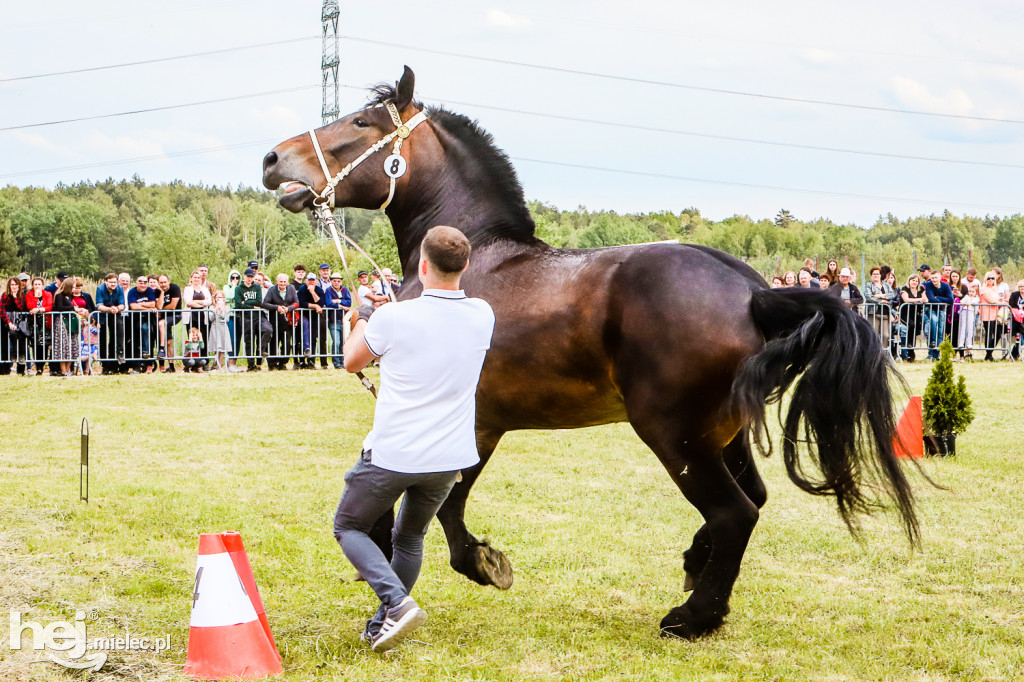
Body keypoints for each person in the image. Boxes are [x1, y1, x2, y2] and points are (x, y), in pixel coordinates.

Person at [334, 225, 495, 652]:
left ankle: (397, 602)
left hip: (394, 454)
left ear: (422, 265)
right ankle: (382, 623)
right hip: (449, 458)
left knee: (349, 525)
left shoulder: (392, 316)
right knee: (409, 537)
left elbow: (352, 362)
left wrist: (362, 319)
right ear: (465, 266)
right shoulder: (483, 313)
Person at [234, 268, 270, 372]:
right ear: (244, 276)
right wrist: (250, 305)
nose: (249, 279)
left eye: (251, 277)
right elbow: (237, 304)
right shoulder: (239, 289)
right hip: (245, 317)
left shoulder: (257, 287)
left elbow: (259, 302)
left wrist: (245, 303)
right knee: (249, 340)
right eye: (248, 276)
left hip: (258, 316)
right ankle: (251, 364)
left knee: (267, 330)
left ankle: (261, 349)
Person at [261, 274, 298, 370]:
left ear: (287, 282)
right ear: (277, 281)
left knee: (287, 343)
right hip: (275, 320)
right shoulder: (272, 290)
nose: (283, 283)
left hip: (288, 321)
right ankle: (272, 364)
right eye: (281, 281)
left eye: (284, 281)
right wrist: (277, 307)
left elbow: (296, 302)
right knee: (273, 343)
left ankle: (283, 363)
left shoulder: (291, 288)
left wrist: (288, 308)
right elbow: (265, 303)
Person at [96, 273, 126, 373]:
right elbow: (99, 305)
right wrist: (110, 309)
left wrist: (117, 308)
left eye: (114, 282)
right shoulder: (100, 289)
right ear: (106, 282)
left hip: (115, 315)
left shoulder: (120, 289)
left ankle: (114, 365)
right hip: (103, 316)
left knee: (116, 338)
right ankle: (105, 366)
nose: (113, 284)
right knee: (103, 341)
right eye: (111, 282)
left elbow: (122, 305)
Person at [126, 274, 157, 373]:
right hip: (134, 320)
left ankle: (147, 356)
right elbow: (133, 307)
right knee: (134, 341)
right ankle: (135, 365)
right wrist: (148, 308)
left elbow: (153, 304)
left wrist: (140, 304)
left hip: (147, 319)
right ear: (136, 283)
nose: (143, 284)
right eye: (140, 282)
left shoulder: (150, 291)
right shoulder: (132, 292)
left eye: (145, 282)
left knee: (146, 331)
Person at [51, 278, 81, 376]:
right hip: (62, 322)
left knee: (72, 345)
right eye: (73, 287)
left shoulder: (69, 296)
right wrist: (72, 308)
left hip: (70, 322)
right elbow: (59, 308)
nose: (74, 289)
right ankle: (63, 370)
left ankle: (68, 370)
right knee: (63, 346)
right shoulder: (59, 295)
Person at [922, 271, 954, 360]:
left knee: (940, 330)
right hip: (932, 309)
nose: (934, 280)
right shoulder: (928, 285)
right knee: (933, 321)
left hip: (942, 310)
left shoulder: (945, 286)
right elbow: (931, 298)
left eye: (936, 278)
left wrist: (938, 298)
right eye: (932, 278)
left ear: (940, 277)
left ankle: (936, 355)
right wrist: (942, 301)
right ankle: (931, 350)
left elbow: (951, 300)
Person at [0, 277, 29, 375]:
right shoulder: (5, 295)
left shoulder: (23, 295)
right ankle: (5, 368)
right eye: (12, 285)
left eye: (16, 284)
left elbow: (22, 308)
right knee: (7, 341)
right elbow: (2, 310)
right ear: (9, 285)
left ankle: (21, 369)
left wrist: (16, 297)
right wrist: (9, 322)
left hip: (21, 322)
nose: (14, 287)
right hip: (7, 322)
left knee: (22, 343)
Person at [25, 277, 53, 377]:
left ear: (42, 285)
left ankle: (42, 364)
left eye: (39, 284)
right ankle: (38, 368)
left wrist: (38, 309)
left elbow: (49, 306)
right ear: (32, 285)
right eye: (35, 284)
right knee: (35, 345)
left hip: (45, 323)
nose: (37, 286)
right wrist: (36, 297)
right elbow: (29, 306)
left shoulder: (47, 294)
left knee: (44, 345)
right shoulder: (29, 294)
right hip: (34, 324)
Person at [325, 272, 352, 369]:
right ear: (331, 281)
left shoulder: (345, 290)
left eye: (338, 281)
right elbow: (328, 303)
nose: (336, 283)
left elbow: (349, 302)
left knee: (343, 342)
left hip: (344, 320)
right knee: (336, 341)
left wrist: (338, 301)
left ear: (341, 281)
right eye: (334, 281)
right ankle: (336, 362)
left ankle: (342, 361)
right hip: (334, 319)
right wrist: (341, 306)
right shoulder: (328, 290)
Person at [156, 275, 182, 372]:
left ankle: (161, 349)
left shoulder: (175, 288)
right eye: (161, 283)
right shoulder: (157, 291)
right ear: (159, 283)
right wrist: (162, 292)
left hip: (175, 316)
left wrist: (161, 309)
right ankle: (171, 366)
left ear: (168, 281)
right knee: (169, 342)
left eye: (164, 282)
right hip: (164, 317)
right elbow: (158, 306)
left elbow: (173, 306)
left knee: (162, 323)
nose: (163, 284)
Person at [899, 274, 927, 362]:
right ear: (909, 281)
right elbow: (906, 300)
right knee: (911, 325)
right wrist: (919, 300)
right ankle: (909, 348)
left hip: (916, 313)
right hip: (905, 313)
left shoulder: (921, 289)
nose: (914, 282)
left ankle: (911, 350)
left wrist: (924, 299)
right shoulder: (904, 289)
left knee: (916, 329)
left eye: (916, 281)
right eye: (913, 280)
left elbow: (925, 298)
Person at [183, 270, 212, 349]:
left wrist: (196, 302)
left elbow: (209, 301)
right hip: (191, 316)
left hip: (203, 316)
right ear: (191, 278)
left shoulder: (205, 289)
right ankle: (193, 357)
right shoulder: (187, 289)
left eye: (198, 278)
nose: (197, 279)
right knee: (192, 336)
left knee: (203, 337)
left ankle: (204, 358)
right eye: (195, 277)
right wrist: (202, 303)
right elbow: (188, 302)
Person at [979, 271, 1003, 361]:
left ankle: (989, 353)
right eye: (988, 278)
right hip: (987, 313)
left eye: (992, 278)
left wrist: (1001, 300)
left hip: (995, 314)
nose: (990, 280)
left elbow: (996, 299)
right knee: (989, 333)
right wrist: (1001, 302)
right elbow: (991, 300)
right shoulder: (983, 289)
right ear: (985, 279)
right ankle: (989, 354)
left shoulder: (994, 289)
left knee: (998, 334)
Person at [207, 292, 233, 371]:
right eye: (218, 298)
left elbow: (227, 319)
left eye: (221, 298)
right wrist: (216, 311)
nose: (219, 300)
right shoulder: (211, 308)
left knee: (222, 348)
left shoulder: (227, 308)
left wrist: (221, 311)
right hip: (215, 327)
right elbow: (211, 319)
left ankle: (219, 366)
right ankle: (215, 364)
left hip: (223, 328)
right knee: (216, 346)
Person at [223, 270, 242, 371]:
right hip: (229, 315)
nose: (235, 280)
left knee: (238, 339)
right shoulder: (226, 287)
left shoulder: (241, 287)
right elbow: (230, 296)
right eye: (233, 277)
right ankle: (230, 362)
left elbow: (239, 299)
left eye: (237, 278)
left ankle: (234, 362)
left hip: (239, 316)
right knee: (231, 339)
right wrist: (234, 286)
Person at [958, 280, 981, 360]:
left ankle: (969, 343)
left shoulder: (977, 298)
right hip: (964, 312)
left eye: (973, 292)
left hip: (971, 313)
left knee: (970, 328)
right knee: (963, 327)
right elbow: (962, 301)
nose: (971, 293)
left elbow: (974, 302)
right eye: (970, 291)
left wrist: (969, 303)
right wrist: (964, 302)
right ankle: (961, 342)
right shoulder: (967, 297)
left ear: (976, 293)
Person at [1009, 280, 1024, 360]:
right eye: (1021, 286)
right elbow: (1011, 305)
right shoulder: (1015, 295)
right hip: (1017, 321)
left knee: (1022, 340)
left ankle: (1015, 355)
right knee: (1020, 340)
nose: (1022, 288)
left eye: (1023, 286)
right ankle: (1013, 355)